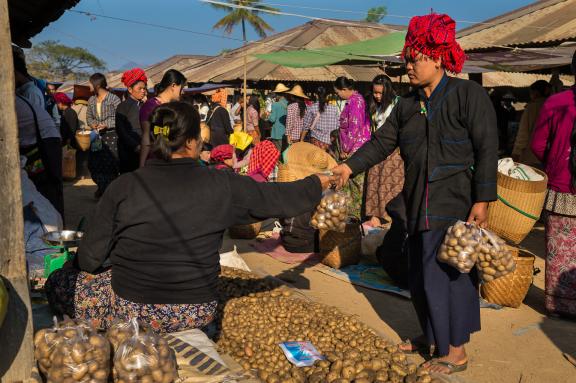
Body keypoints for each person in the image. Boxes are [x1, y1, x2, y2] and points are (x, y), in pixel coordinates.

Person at [45, 101, 334, 333]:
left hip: (131, 308)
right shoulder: (223, 184)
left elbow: (91, 257)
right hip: (195, 311)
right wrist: (319, 181)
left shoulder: (124, 186)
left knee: (57, 282)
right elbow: (277, 197)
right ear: (193, 142)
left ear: (154, 140)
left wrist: (83, 269)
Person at [332, 13, 498, 375]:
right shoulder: (406, 105)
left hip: (455, 202)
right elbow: (380, 144)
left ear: (437, 57)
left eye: (415, 58)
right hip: (415, 201)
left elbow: (487, 149)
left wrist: (482, 200)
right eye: (407, 58)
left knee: (450, 275)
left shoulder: (467, 95)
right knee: (421, 275)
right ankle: (431, 338)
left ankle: (456, 351)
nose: (408, 65)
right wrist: (347, 167)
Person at [530, 50, 576, 318]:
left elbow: (537, 144)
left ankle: (558, 306)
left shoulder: (555, 102)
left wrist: (556, 162)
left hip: (561, 188)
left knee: (559, 249)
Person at [363, 75, 403, 227]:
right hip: (378, 148)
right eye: (375, 93)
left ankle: (388, 217)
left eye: (380, 93)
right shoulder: (376, 107)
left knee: (388, 182)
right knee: (374, 179)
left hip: (394, 151)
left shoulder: (398, 104)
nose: (377, 96)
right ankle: (375, 216)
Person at [16, 94, 64, 216]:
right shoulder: (23, 96)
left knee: (47, 190)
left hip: (44, 145)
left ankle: (51, 227)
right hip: (42, 143)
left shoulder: (30, 92)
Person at [139, 69, 187, 167]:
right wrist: (142, 165)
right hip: (156, 161)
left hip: (175, 160)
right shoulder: (150, 106)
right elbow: (146, 138)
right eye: (181, 88)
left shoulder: (175, 106)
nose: (183, 92)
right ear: (173, 86)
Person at [86, 73, 122, 197]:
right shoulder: (91, 100)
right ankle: (101, 187)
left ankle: (109, 192)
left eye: (90, 82)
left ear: (97, 84)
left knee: (110, 165)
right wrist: (93, 124)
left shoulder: (114, 99)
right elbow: (89, 117)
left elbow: (120, 118)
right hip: (96, 136)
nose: (88, 85)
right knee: (94, 163)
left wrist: (107, 124)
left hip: (111, 136)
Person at [116, 68, 148, 173]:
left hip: (143, 149)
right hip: (128, 151)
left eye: (144, 88)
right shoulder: (122, 106)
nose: (143, 91)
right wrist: (135, 146)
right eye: (140, 88)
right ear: (130, 89)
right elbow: (121, 131)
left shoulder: (144, 106)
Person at [512, 80, 551, 166]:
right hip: (548, 157)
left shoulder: (531, 107)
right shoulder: (554, 106)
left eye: (531, 93)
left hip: (531, 157)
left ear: (536, 93)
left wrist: (516, 152)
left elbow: (523, 133)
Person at [335, 77, 371, 160]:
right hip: (356, 145)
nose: (338, 95)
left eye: (337, 93)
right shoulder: (356, 99)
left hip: (355, 147)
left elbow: (354, 128)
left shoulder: (354, 102)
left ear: (344, 89)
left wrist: (346, 149)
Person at [301, 86, 339, 151]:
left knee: (316, 160)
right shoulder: (334, 108)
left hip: (316, 142)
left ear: (316, 95)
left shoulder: (312, 108)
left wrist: (301, 140)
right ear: (328, 96)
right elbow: (337, 126)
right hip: (330, 143)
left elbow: (306, 126)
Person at [267, 84, 289, 151]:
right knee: (285, 151)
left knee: (277, 152)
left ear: (277, 95)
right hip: (286, 132)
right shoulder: (288, 103)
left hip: (277, 132)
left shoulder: (275, 104)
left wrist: (268, 115)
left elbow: (272, 119)